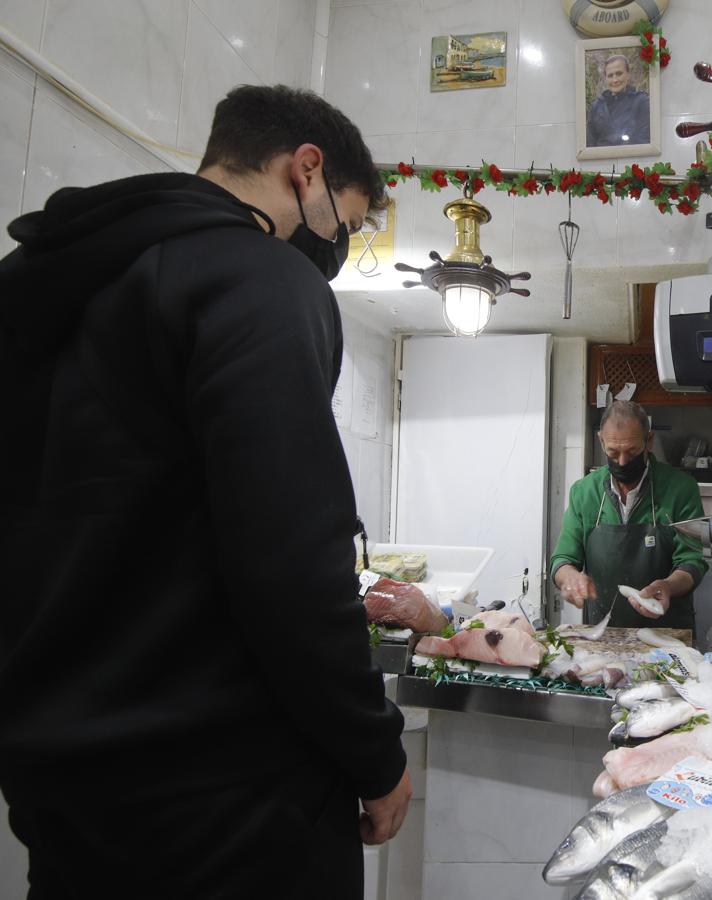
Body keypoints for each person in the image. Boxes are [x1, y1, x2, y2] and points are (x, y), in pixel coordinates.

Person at [0, 85, 410, 899]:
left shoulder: (33, 282)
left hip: (57, 773)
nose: (336, 245)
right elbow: (289, 560)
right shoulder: (259, 279)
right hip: (226, 792)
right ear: (306, 170)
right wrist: (375, 752)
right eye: (347, 223)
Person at [550, 401, 708, 630]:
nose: (622, 462)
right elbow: (562, 559)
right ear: (601, 441)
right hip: (604, 633)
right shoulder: (584, 493)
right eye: (613, 452)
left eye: (632, 452)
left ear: (649, 440)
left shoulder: (681, 489)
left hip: (668, 633)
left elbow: (692, 562)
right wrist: (569, 578)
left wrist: (668, 586)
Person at [586, 53, 651, 147]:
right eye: (610, 75)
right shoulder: (596, 106)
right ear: (605, 78)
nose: (615, 80)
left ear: (628, 74)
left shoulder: (641, 101)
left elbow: (644, 141)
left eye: (619, 74)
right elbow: (590, 143)